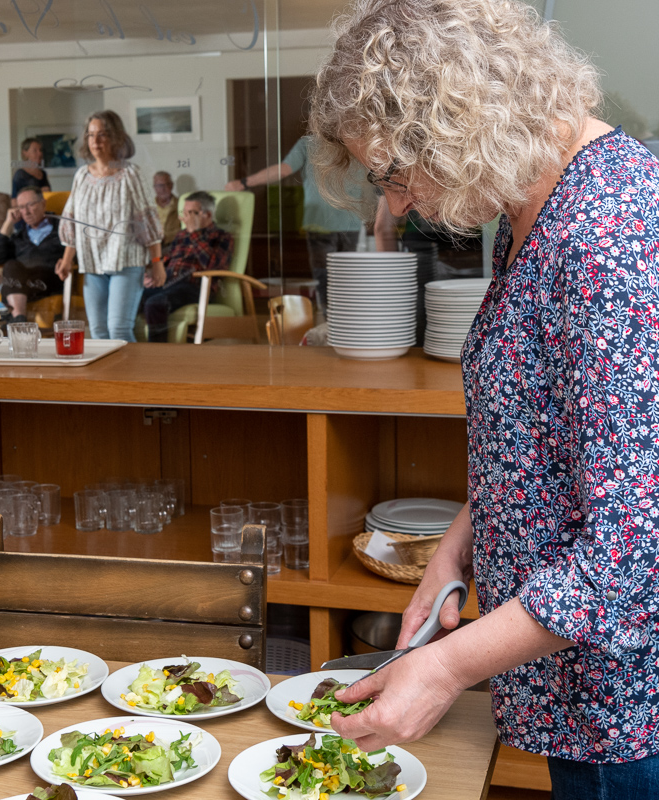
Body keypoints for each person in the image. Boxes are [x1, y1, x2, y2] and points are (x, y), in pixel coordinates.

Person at [308, 1, 659, 796]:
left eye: (395, 174)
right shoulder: (526, 206)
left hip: (632, 702)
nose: (394, 204)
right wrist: (455, 551)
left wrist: (443, 669)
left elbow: (635, 548)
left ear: (457, 123)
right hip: (573, 669)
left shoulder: (609, 235)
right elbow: (540, 432)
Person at [57, 110, 164, 341]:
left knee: (119, 330)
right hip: (93, 263)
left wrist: (156, 263)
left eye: (103, 134)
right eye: (91, 135)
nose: (95, 141)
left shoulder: (131, 174)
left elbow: (148, 222)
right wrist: (67, 259)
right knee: (98, 333)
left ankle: (131, 378)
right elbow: (73, 221)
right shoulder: (81, 176)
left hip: (127, 262)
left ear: (116, 138)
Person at [226, 134, 364, 310]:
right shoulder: (356, 140)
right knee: (347, 280)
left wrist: (244, 183)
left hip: (322, 224)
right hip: (349, 222)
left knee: (325, 278)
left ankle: (332, 326)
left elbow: (283, 170)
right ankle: (345, 324)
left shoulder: (309, 143)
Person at [138, 191, 233, 342]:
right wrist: (151, 275)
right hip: (168, 283)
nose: (183, 217)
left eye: (190, 213)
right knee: (132, 298)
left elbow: (213, 267)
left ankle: (158, 354)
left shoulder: (222, 237)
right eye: (184, 212)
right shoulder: (181, 235)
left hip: (195, 287)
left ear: (207, 215)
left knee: (156, 303)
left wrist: (195, 233)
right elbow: (167, 260)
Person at [0, 187, 65, 324]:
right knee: (11, 266)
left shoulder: (61, 229)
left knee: (9, 285)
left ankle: (16, 322)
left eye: (30, 205)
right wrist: (8, 223)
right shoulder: (19, 236)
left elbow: (74, 252)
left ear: (43, 204)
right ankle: (20, 319)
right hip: (23, 285)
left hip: (48, 281)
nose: (26, 211)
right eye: (21, 207)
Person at [152, 171, 181, 253]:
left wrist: (166, 237)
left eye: (166, 185)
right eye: (159, 186)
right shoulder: (147, 207)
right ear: (154, 187)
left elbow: (186, 230)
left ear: (171, 185)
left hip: (172, 245)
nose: (162, 189)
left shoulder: (181, 205)